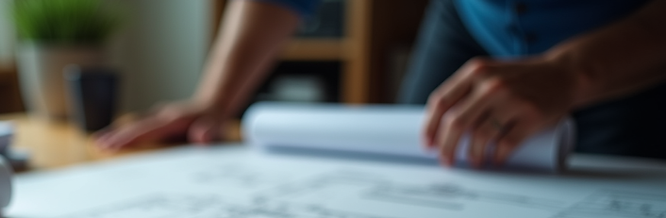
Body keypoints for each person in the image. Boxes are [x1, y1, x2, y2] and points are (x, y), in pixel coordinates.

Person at [95, 0, 666, 166]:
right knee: (427, 158)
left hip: (630, 32)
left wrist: (573, 72)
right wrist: (213, 100)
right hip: (471, 18)